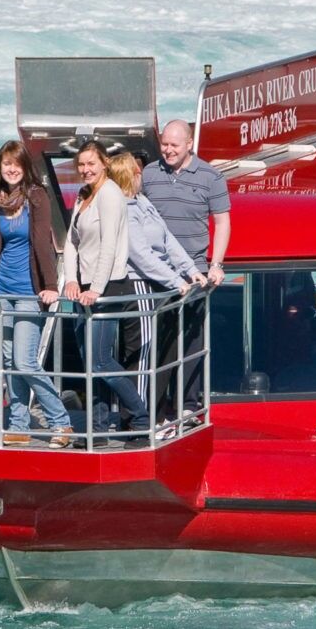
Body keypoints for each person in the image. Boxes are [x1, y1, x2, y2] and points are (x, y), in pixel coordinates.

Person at [0, 141, 74, 450]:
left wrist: (51, 286)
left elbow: (43, 243)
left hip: (29, 290)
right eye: (7, 163)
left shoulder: (36, 196)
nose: (12, 169)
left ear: (25, 167)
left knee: (25, 360)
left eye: (17, 163)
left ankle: (60, 421)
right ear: (0, 166)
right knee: (9, 360)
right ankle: (19, 425)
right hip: (3, 289)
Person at [139, 119, 231, 414]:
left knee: (191, 340)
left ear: (189, 144)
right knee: (158, 340)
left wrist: (216, 264)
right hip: (156, 272)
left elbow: (222, 222)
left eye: (174, 145)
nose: (168, 150)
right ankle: (155, 409)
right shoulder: (149, 174)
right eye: (164, 144)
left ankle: (187, 407)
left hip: (194, 271)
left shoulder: (211, 177)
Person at [59, 141, 148, 445]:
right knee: (90, 363)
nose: (85, 169)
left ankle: (140, 417)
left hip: (108, 287)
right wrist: (71, 280)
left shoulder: (110, 194)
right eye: (81, 164)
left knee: (99, 360)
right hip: (83, 289)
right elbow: (71, 242)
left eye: (91, 163)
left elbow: (109, 245)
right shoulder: (83, 195)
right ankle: (96, 429)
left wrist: (96, 288)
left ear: (104, 163)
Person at [107, 152, 206, 425]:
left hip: (163, 285)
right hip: (141, 285)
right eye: (137, 170)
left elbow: (168, 240)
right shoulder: (124, 210)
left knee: (165, 352)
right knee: (143, 352)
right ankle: (139, 418)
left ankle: (157, 414)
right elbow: (140, 255)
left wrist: (191, 270)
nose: (142, 174)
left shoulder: (142, 202)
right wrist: (176, 281)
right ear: (129, 175)